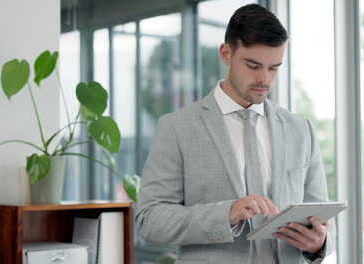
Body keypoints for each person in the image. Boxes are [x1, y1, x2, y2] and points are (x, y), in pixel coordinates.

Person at [136, 3, 335, 264]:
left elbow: (324, 220)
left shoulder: (300, 129)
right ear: (226, 54)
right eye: (253, 65)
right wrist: (226, 213)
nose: (264, 79)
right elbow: (150, 221)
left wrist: (319, 243)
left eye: (274, 67)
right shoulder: (177, 127)